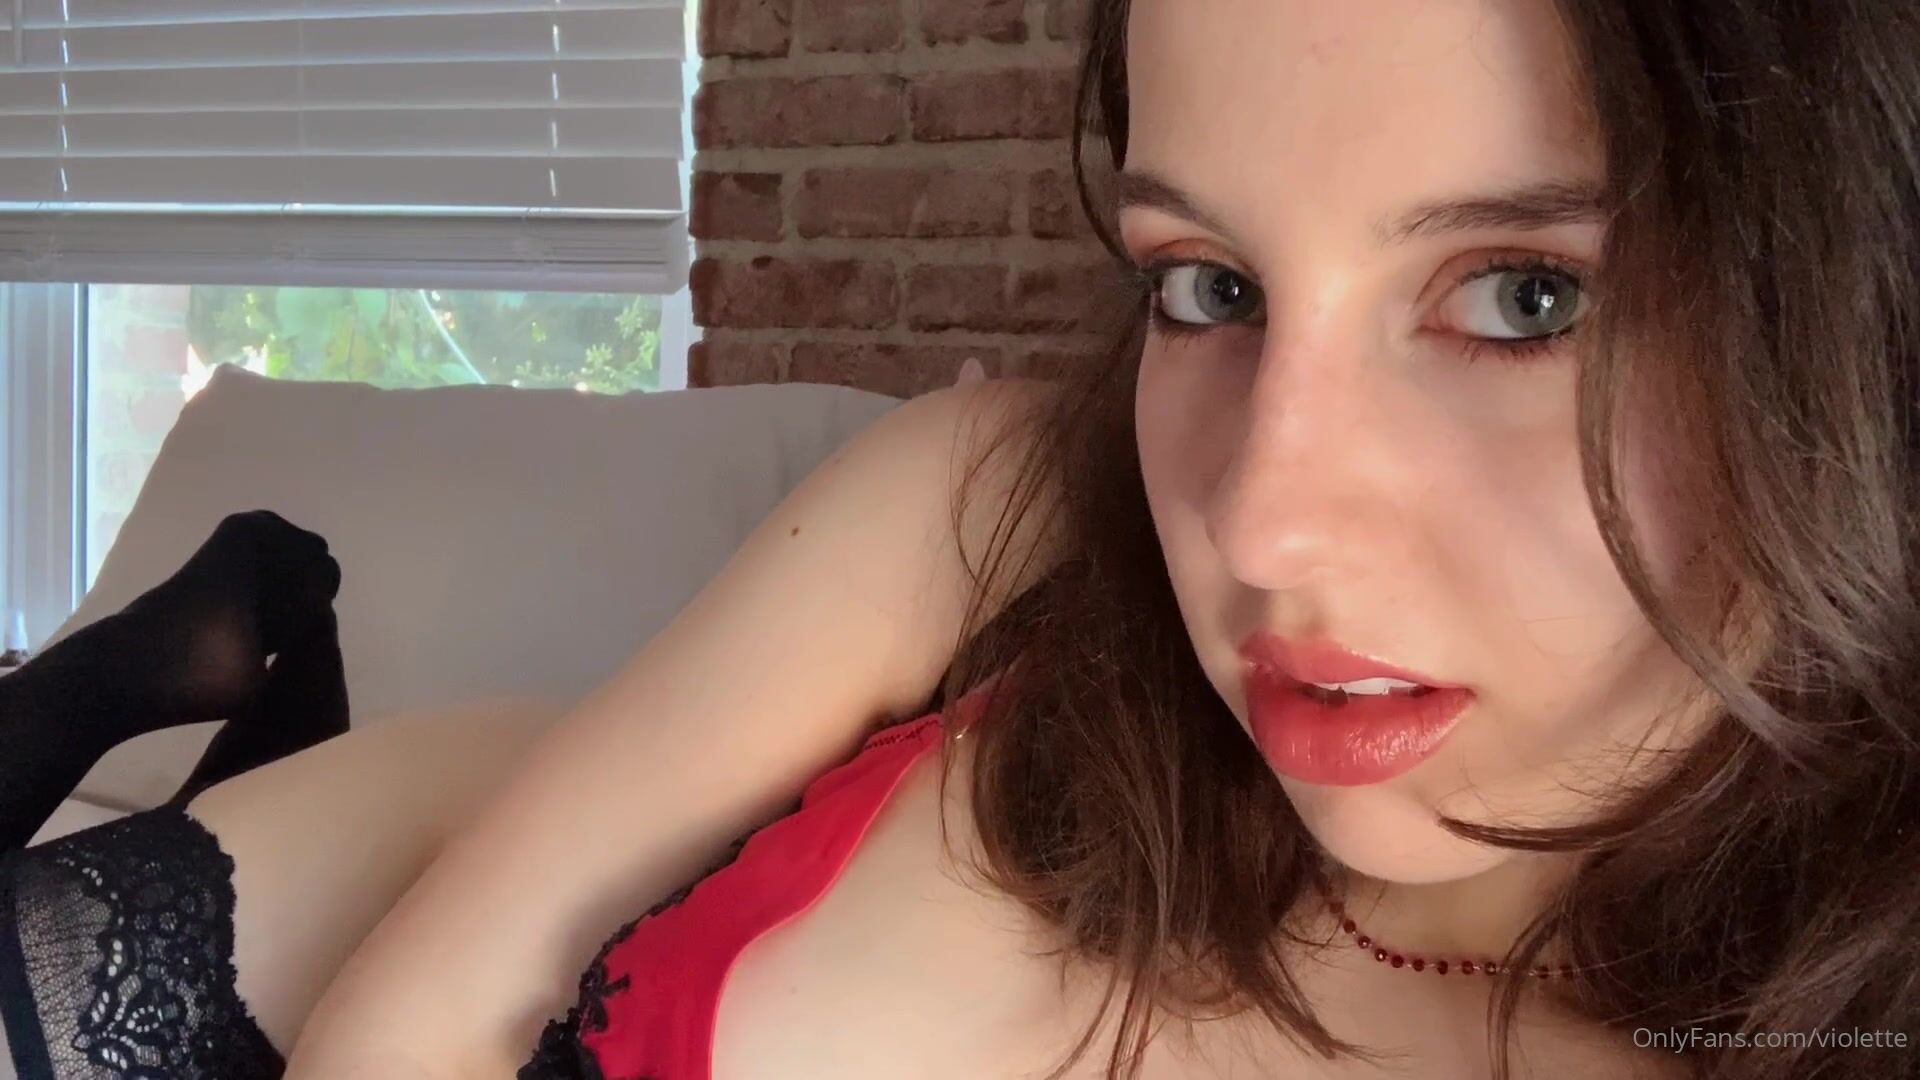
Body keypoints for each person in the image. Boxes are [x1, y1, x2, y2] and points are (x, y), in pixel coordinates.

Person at [6, 0, 1919, 1076]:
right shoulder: (1002, 499)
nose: (1258, 520)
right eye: (1207, 284)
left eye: (1524, 297)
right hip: (374, 865)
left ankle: (217, 647)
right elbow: (417, 1018)